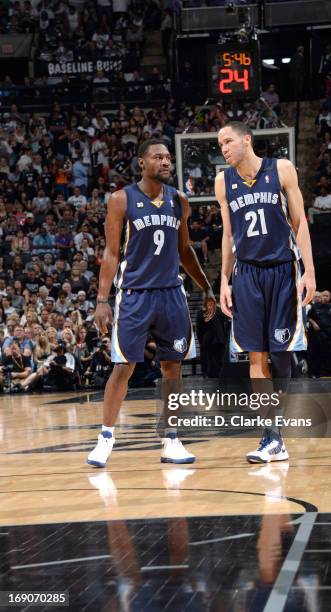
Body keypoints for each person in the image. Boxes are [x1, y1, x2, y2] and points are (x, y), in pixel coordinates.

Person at [87, 139, 216, 468]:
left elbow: (185, 252)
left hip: (171, 294)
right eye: (158, 157)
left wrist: (207, 288)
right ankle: (105, 437)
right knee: (123, 366)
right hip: (134, 294)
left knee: (173, 367)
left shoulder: (180, 201)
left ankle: (171, 439)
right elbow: (112, 253)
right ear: (141, 163)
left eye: (168, 158)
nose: (166, 162)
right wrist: (103, 300)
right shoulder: (121, 199)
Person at [216, 122, 315, 464]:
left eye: (228, 141)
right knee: (255, 356)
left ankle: (278, 434)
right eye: (220, 144)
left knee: (281, 352)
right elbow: (228, 235)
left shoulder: (282, 169)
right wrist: (224, 280)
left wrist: (309, 272)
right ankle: (270, 436)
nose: (223, 148)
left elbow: (300, 222)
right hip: (247, 275)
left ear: (247, 140)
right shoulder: (222, 181)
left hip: (283, 270)